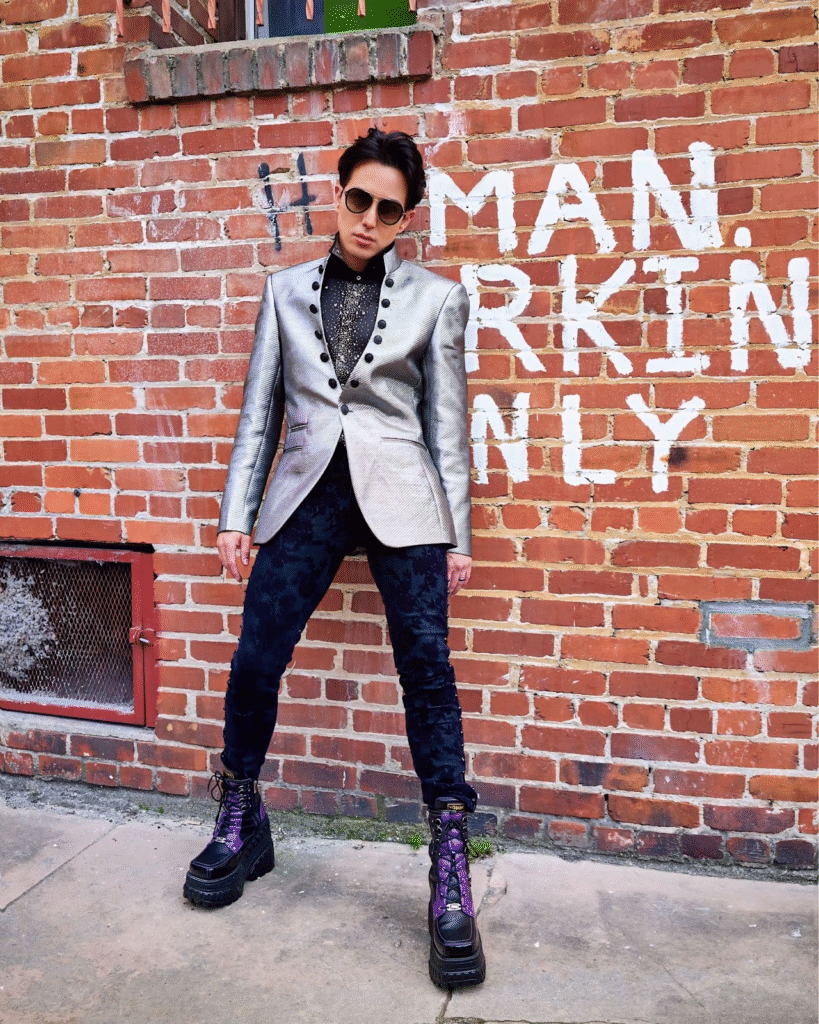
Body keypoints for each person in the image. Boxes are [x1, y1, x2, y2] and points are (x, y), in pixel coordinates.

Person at [182, 128, 485, 989]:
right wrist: (235, 517)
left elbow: (445, 428)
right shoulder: (281, 292)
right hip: (305, 491)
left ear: (405, 219)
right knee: (256, 654)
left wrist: (455, 536)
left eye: (389, 210)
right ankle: (241, 817)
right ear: (338, 194)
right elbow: (258, 415)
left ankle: (449, 866)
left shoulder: (439, 298)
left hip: (404, 496)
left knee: (427, 667)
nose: (369, 220)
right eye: (359, 199)